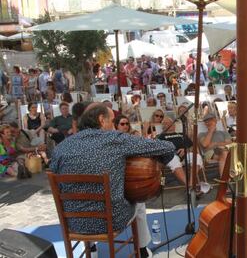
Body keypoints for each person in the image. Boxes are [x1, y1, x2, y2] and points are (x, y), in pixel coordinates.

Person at [50, 103, 175, 258]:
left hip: (74, 223)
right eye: (112, 121)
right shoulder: (115, 139)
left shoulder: (62, 147)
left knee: (81, 191)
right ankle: (142, 249)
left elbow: (53, 173)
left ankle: (91, 250)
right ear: (102, 120)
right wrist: (156, 165)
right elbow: (167, 148)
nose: (114, 126)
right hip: (110, 221)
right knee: (138, 201)